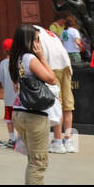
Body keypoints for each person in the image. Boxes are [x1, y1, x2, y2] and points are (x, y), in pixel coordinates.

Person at [8, 25, 59, 185]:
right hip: (34, 115)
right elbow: (51, 78)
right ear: (29, 41)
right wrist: (42, 57)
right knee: (38, 162)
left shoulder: (15, 59)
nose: (39, 43)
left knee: (33, 159)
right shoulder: (29, 59)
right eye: (37, 39)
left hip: (19, 112)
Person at [34, 24, 73, 152]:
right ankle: (68, 140)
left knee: (56, 104)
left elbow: (36, 51)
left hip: (52, 66)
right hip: (66, 65)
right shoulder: (50, 34)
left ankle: (58, 141)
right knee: (67, 106)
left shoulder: (35, 34)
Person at [0, 37, 16, 147]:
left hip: (8, 96)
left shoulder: (3, 63)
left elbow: (1, 80)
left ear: (4, 50)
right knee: (19, 118)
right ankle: (21, 138)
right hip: (19, 97)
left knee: (9, 119)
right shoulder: (19, 62)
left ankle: (12, 138)